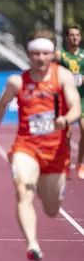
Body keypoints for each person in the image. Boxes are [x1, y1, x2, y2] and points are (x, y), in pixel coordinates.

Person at [0, 30, 81, 261]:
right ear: (29, 55)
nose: (40, 58)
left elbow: (77, 106)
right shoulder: (17, 81)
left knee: (51, 210)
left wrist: (66, 120)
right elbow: (0, 107)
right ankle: (32, 244)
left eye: (45, 53)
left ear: (52, 54)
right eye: (36, 54)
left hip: (56, 150)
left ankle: (44, 185)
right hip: (26, 146)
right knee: (22, 190)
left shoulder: (63, 77)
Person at [55, 25, 84, 179]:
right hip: (66, 100)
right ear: (67, 38)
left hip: (82, 99)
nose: (75, 38)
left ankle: (80, 163)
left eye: (77, 35)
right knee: (67, 134)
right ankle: (66, 163)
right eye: (72, 35)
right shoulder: (61, 54)